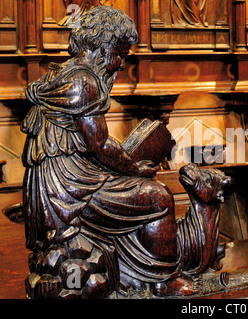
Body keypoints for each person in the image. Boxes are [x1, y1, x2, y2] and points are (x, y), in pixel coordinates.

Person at [22, 6, 180, 287]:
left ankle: (134, 275)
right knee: (160, 197)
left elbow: (86, 142)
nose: (120, 64)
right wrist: (133, 168)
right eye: (120, 53)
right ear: (104, 45)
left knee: (139, 186)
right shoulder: (84, 81)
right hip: (68, 192)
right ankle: (163, 281)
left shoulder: (60, 72)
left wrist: (127, 166)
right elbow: (99, 144)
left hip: (59, 182)